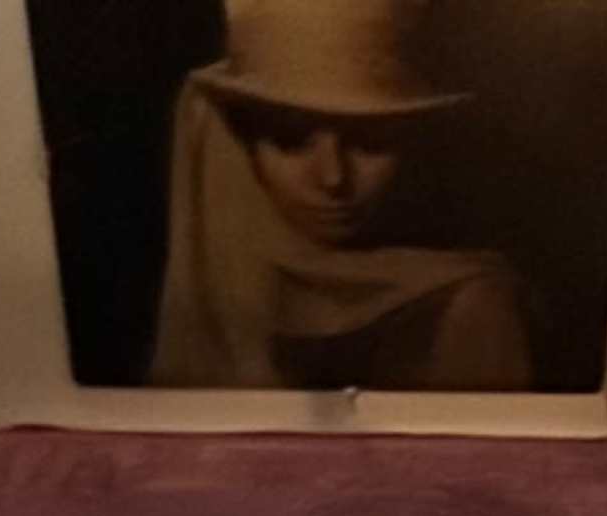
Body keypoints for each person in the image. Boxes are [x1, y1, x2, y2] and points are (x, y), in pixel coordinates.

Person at [150, 0, 532, 392]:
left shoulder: (465, 311)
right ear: (244, 143)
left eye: (369, 140)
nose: (333, 177)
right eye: (290, 139)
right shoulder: (219, 281)